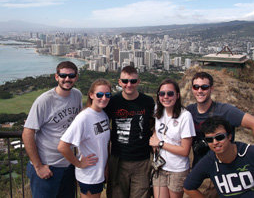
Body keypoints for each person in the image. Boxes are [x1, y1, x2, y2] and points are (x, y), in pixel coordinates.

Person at [186, 71, 254, 197]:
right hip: (200, 170)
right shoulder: (189, 111)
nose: (199, 90)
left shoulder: (225, 111)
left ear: (211, 89)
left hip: (220, 174)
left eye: (204, 87)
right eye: (196, 87)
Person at [184, 116, 254, 197]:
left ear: (230, 136)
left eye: (220, 137)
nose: (215, 142)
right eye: (209, 140)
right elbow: (188, 187)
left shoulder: (253, 154)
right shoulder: (209, 161)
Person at [22, 61, 82, 198]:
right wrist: (38, 167)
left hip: (68, 165)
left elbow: (78, 120)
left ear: (76, 78)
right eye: (63, 75)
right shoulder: (44, 101)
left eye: (71, 75)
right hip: (47, 167)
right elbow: (27, 133)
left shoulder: (77, 95)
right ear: (57, 77)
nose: (67, 79)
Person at [105, 66, 155, 198]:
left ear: (138, 82)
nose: (129, 85)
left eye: (133, 81)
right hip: (118, 159)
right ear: (120, 82)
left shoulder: (147, 101)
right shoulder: (113, 102)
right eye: (125, 81)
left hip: (142, 160)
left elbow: (155, 122)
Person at [58, 78, 111, 198]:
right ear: (91, 95)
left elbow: (103, 145)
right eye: (99, 94)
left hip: (99, 173)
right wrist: (79, 164)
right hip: (89, 175)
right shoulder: (84, 118)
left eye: (107, 95)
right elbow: (62, 146)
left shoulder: (103, 114)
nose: (104, 98)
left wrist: (105, 167)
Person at [149, 79, 196, 198]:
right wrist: (154, 135)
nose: (166, 97)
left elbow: (185, 151)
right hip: (160, 166)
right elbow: (156, 127)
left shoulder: (185, 116)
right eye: (162, 94)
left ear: (177, 95)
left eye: (170, 93)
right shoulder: (158, 110)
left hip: (177, 169)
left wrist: (160, 143)